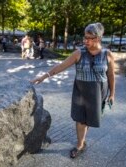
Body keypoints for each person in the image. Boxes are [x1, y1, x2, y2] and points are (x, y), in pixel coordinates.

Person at [31, 22, 115, 158]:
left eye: (89, 38)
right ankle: (80, 144)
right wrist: (44, 76)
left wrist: (112, 94)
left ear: (98, 39)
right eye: (84, 37)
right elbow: (61, 66)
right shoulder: (78, 53)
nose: (85, 41)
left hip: (99, 91)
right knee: (81, 119)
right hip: (81, 91)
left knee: (89, 119)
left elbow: (111, 75)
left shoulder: (107, 54)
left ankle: (82, 137)